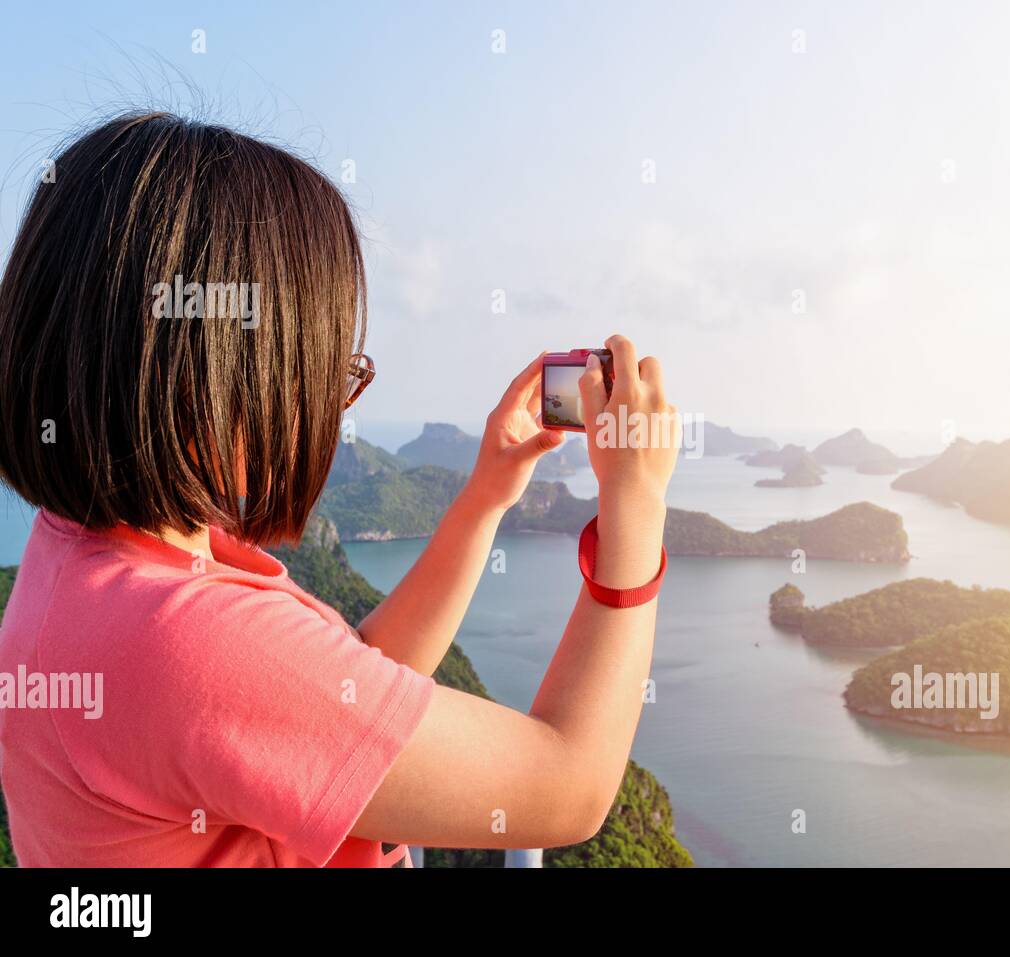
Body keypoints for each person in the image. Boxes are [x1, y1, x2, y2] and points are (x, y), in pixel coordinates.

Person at [0, 112, 678, 867]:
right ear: (210, 383)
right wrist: (636, 509)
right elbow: (568, 784)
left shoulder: (87, 558)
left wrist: (488, 491)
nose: (329, 406)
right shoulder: (185, 643)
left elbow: (348, 682)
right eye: (328, 373)